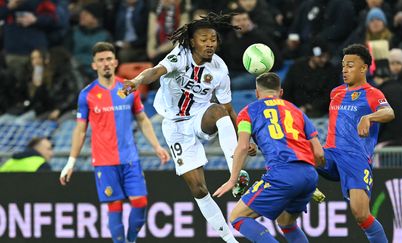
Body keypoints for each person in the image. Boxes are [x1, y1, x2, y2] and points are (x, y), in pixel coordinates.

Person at [121, 13, 257, 243]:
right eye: (204, 39)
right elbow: (154, 71)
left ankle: (236, 172)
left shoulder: (219, 69)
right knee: (198, 190)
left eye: (213, 39)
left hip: (199, 116)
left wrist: (244, 139)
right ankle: (229, 240)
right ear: (192, 41)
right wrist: (135, 82)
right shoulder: (179, 56)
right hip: (175, 126)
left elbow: (229, 109)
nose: (210, 43)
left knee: (218, 111)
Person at [59, 42, 170, 243]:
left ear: (116, 62)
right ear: (94, 65)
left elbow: (143, 119)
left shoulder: (128, 88)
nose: (105, 63)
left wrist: (156, 146)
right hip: (104, 161)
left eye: (109, 59)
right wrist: (71, 162)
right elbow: (80, 129)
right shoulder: (87, 94)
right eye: (101, 60)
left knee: (141, 202)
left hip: (129, 158)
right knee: (115, 206)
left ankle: (130, 240)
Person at [213, 72, 325, 243]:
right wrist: (306, 175)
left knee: (238, 217)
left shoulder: (247, 112)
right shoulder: (296, 111)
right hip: (309, 175)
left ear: (257, 93)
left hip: (282, 174)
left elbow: (242, 146)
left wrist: (232, 179)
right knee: (286, 222)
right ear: (281, 92)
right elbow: (318, 152)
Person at [317, 44, 394, 243]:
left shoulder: (373, 93)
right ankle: (304, 186)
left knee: (360, 214)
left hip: (355, 159)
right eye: (343, 65)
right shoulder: (335, 92)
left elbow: (389, 112)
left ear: (364, 68)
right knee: (303, 148)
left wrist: (368, 117)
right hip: (331, 153)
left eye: (350, 65)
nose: (344, 69)